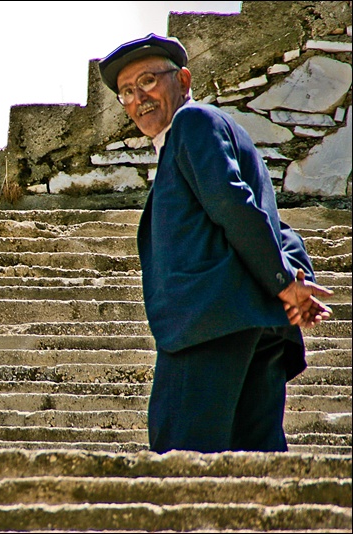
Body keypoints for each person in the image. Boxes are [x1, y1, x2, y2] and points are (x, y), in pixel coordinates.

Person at [97, 34, 334, 454]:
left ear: (184, 80)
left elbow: (234, 204)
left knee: (180, 463)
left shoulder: (192, 123)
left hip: (209, 328)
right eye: (127, 93)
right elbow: (277, 228)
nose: (138, 99)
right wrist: (293, 284)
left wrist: (283, 282)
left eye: (149, 81)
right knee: (257, 469)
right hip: (254, 327)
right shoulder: (227, 137)